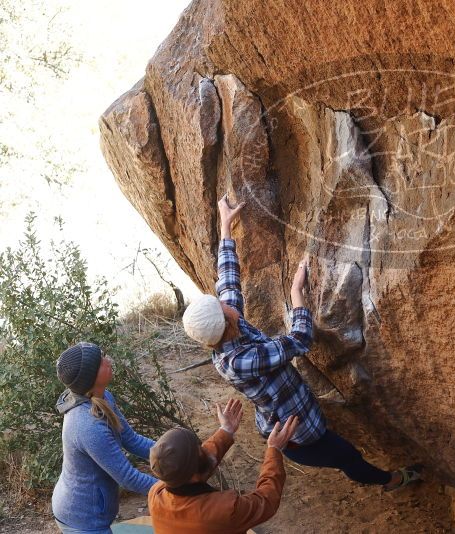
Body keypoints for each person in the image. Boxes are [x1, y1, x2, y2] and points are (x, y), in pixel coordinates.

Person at [181, 193, 421, 492]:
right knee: (348, 457)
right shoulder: (237, 362)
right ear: (226, 323)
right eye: (222, 306)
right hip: (296, 433)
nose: (225, 301)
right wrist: (297, 292)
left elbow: (227, 279)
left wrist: (226, 227)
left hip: (295, 411)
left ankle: (387, 477)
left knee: (342, 450)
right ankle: (393, 480)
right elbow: (299, 340)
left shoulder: (225, 329)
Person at [52, 342, 158, 534]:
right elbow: (128, 477)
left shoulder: (104, 397)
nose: (108, 361)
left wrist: (171, 454)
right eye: (101, 362)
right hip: (82, 520)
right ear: (91, 378)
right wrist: (175, 487)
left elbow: (132, 440)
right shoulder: (87, 426)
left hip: (91, 508)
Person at [148, 399, 298, 533]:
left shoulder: (156, 493)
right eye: (200, 449)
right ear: (194, 474)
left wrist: (226, 430)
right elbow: (266, 500)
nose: (204, 448)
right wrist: (274, 449)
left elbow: (200, 464)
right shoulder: (223, 511)